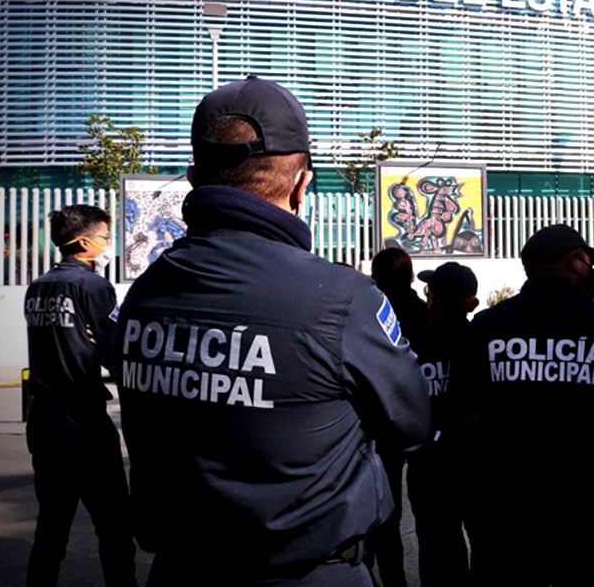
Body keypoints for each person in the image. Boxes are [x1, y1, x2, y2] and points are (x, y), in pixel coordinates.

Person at [113, 75, 432, 586]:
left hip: (178, 569)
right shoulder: (340, 298)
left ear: (195, 177)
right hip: (309, 572)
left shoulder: (145, 293)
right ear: (303, 184)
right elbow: (412, 423)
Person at [451, 224, 594, 587]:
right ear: (575, 261)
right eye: (591, 263)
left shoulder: (486, 326)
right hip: (585, 514)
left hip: (504, 517)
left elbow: (464, 413)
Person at [23, 204, 138, 587]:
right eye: (105, 237)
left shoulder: (38, 287)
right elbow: (114, 348)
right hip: (83, 422)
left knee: (51, 528)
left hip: (43, 420)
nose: (108, 244)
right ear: (84, 240)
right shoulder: (92, 286)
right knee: (115, 526)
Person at [405, 262, 480, 587]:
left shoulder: (412, 349)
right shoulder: (482, 342)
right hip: (479, 461)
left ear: (433, 299)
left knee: (438, 554)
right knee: (488, 548)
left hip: (429, 466)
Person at [368, 246, 431, 587]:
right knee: (431, 517)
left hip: (381, 417)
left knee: (384, 511)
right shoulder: (422, 309)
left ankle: (391, 579)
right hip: (420, 416)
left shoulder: (373, 305)